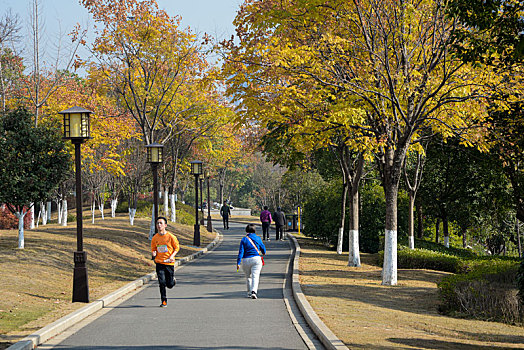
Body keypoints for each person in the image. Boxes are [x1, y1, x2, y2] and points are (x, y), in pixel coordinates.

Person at [151, 216, 180, 307]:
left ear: (165, 225)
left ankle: (172, 281)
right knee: (161, 282)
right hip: (159, 263)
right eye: (157, 223)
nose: (159, 225)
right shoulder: (155, 238)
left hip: (169, 263)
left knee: (170, 284)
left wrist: (172, 256)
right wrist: (154, 253)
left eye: (161, 223)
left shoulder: (171, 237)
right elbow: (153, 249)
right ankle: (164, 300)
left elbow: (177, 248)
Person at [237, 224, 266, 299]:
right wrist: (263, 252)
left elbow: (241, 252)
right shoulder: (258, 238)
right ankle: (254, 291)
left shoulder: (244, 239)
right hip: (256, 259)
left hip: (246, 260)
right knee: (255, 276)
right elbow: (263, 248)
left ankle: (249, 292)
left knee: (248, 277)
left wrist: (238, 262)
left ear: (246, 231)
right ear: (254, 230)